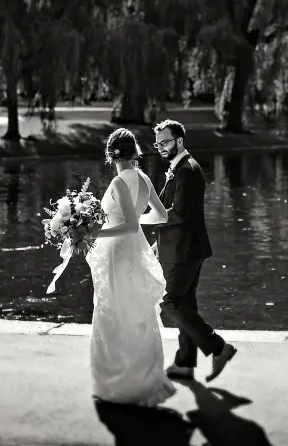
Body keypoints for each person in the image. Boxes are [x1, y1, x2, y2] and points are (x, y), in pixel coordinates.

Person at [86, 128, 176, 405]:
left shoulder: (117, 183)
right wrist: (134, 219)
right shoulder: (144, 178)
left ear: (111, 154)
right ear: (133, 152)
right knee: (137, 311)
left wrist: (95, 233)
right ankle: (146, 379)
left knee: (113, 311)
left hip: (118, 255)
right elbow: (159, 216)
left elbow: (128, 225)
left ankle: (119, 385)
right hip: (133, 252)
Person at [149, 119, 237, 383]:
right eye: (158, 143)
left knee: (170, 303)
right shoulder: (182, 168)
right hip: (183, 248)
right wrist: (158, 242)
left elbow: (177, 214)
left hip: (183, 252)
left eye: (165, 142)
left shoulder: (187, 170)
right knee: (185, 303)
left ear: (179, 141)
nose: (161, 147)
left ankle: (219, 348)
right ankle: (185, 363)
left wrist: (143, 220)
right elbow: (177, 215)